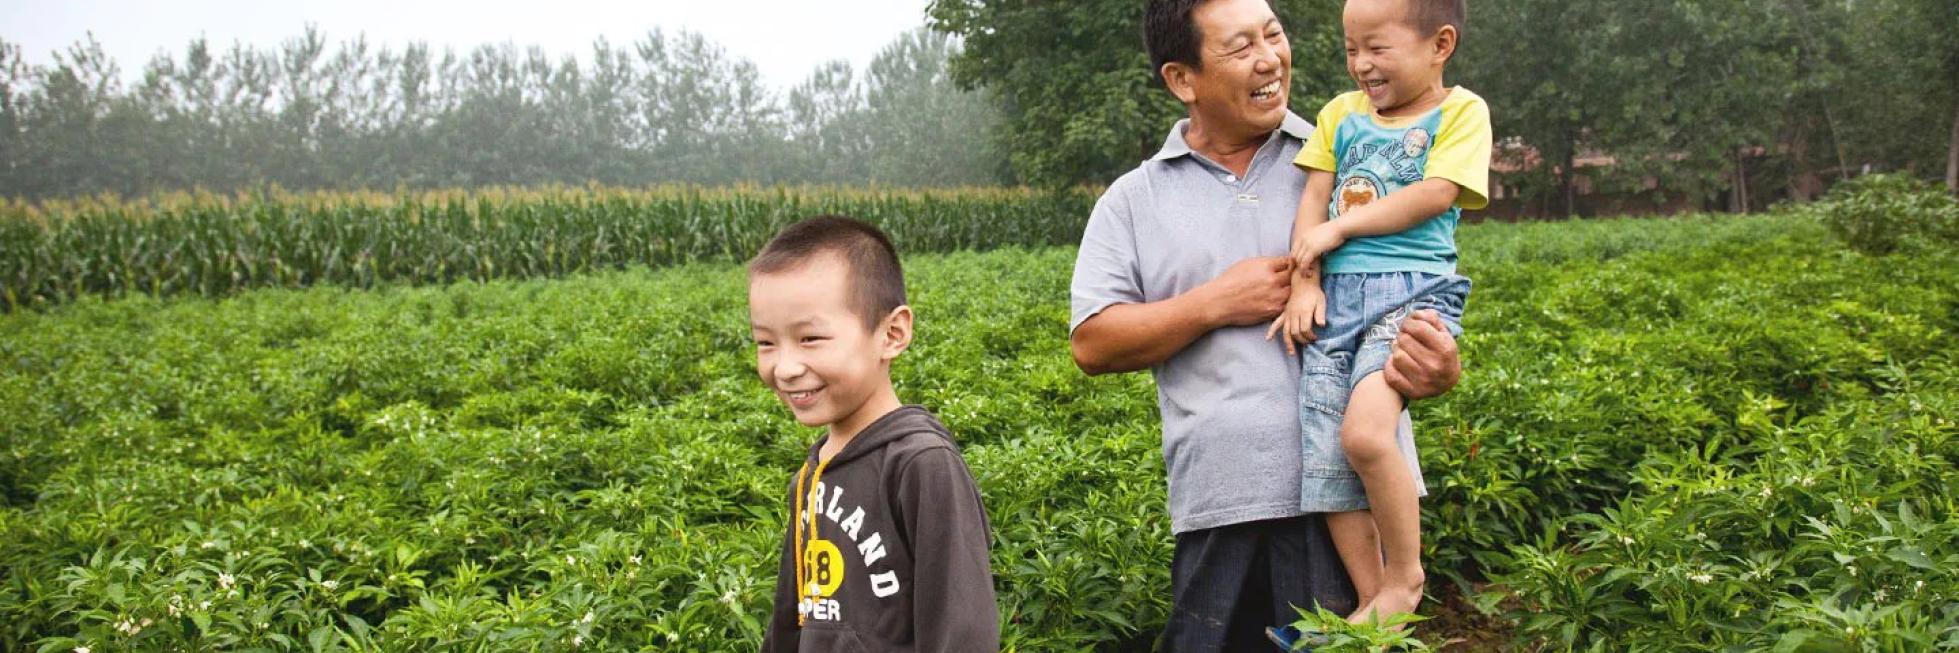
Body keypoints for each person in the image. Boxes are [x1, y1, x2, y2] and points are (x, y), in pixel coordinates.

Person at [1068, 0, 1463, 649]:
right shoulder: (1132, 201)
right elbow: (1091, 341)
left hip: (1351, 507)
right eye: (1239, 47)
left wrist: (1438, 363)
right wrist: (1214, 301)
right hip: (1219, 506)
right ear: (1181, 78)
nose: (1268, 59)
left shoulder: (1358, 155)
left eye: (1273, 36)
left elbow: (1420, 286)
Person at [1267, 0, 1489, 625]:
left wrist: (1342, 230)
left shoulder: (1461, 112)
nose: (1361, 65)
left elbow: (1436, 194)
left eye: (1378, 48)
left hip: (1411, 294)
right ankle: (1372, 604)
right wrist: (1303, 284)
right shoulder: (1340, 115)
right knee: (1326, 461)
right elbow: (1313, 199)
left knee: (1365, 434)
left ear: (1439, 44)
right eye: (1350, 50)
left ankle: (1405, 576)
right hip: (1335, 303)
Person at [754, 216, 1000, 652]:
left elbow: (962, 633)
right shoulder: (809, 477)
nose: (785, 367)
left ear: (892, 334)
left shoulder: (922, 464)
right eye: (766, 343)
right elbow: (789, 626)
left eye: (810, 338)